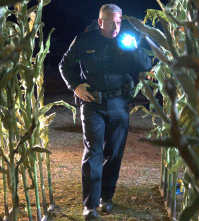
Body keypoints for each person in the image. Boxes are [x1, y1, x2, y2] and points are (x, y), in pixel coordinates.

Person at [58, 4, 152, 220]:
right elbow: (65, 66)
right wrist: (75, 86)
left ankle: (106, 198)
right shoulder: (84, 41)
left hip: (119, 103)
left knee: (114, 153)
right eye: (111, 22)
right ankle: (90, 205)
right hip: (93, 104)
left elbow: (146, 65)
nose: (116, 27)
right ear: (100, 22)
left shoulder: (126, 43)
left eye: (119, 22)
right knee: (93, 152)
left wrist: (134, 47)